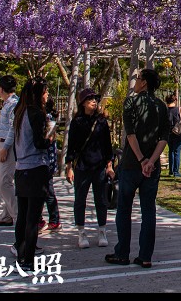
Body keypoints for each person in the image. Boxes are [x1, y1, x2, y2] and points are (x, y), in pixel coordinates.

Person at [105, 68, 169, 268]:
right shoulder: (161, 106)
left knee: (124, 209)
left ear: (144, 83)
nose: (135, 80)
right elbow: (163, 138)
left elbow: (130, 135)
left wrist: (142, 160)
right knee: (148, 211)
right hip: (152, 167)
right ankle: (145, 256)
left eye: (138, 78)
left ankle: (122, 253)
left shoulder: (131, 102)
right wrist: (151, 161)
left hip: (133, 165)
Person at [1, 77, 52, 269]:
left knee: (22, 217)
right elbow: (41, 143)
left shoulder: (19, 111)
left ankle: (20, 254)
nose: (47, 95)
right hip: (35, 168)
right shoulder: (37, 114)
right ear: (38, 94)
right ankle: (29, 261)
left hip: (21, 169)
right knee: (33, 219)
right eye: (45, 91)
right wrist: (51, 137)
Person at [65, 87, 114, 249]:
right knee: (80, 199)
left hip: (99, 165)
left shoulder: (101, 121)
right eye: (90, 99)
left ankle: (102, 230)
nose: (94, 102)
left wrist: (109, 165)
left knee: (101, 199)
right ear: (83, 103)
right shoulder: (77, 122)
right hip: (82, 166)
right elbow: (71, 145)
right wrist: (69, 166)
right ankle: (81, 231)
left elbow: (107, 144)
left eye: (95, 99)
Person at [0, 75, 19, 227]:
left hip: (5, 146)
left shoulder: (14, 104)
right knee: (0, 180)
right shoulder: (8, 103)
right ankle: (6, 215)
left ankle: (17, 215)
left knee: (4, 182)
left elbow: (13, 129)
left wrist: (5, 148)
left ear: (1, 89)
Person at [38, 96, 61, 234]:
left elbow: (50, 138)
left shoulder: (48, 118)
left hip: (46, 160)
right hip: (47, 159)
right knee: (44, 191)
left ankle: (54, 219)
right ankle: (46, 219)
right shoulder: (47, 117)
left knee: (47, 191)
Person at [166, 93, 181, 178]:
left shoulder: (165, 110)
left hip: (168, 133)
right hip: (177, 133)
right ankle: (176, 171)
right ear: (175, 100)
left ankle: (170, 170)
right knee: (177, 151)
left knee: (171, 151)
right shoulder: (179, 110)